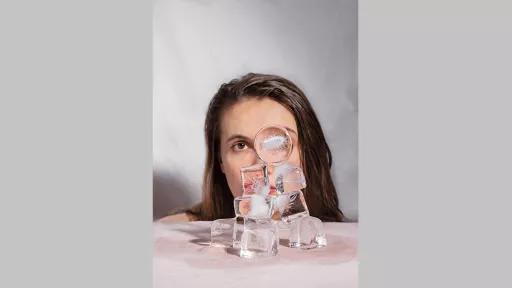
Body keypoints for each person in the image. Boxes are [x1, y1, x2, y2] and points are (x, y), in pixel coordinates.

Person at [159, 73, 344, 223]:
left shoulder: (347, 245)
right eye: (241, 145)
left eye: (277, 142)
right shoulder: (172, 236)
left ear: (307, 152)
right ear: (220, 160)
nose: (262, 164)